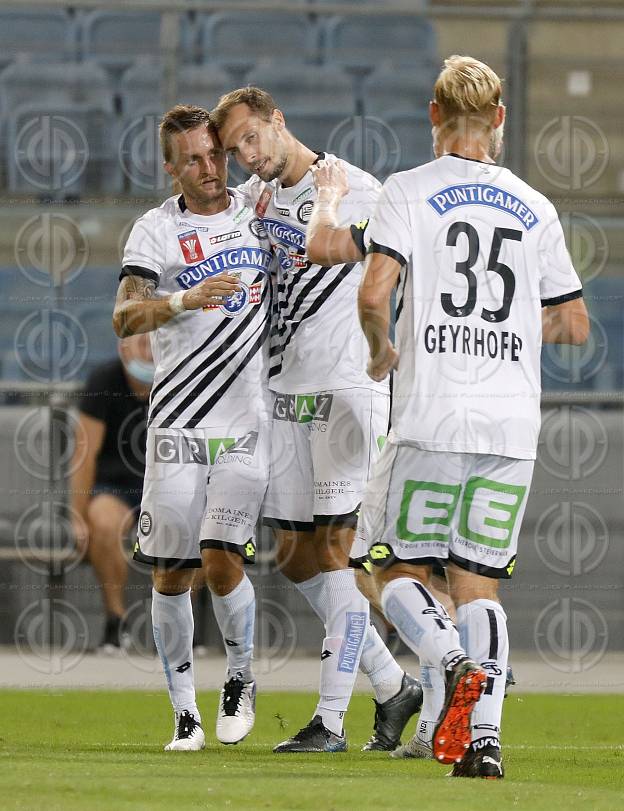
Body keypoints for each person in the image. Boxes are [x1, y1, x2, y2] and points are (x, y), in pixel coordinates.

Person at [355, 55, 589, 778]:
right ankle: (483, 741)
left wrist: (380, 347)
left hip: (432, 414)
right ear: (500, 120)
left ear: (433, 114)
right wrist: (517, 324)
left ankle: (449, 660)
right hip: (511, 426)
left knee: (390, 564)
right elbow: (574, 323)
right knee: (478, 582)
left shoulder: (407, 190)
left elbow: (373, 291)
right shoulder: (536, 205)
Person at [212, 88, 422, 753]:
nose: (247, 155)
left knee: (339, 551)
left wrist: (389, 358)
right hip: (283, 393)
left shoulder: (357, 189)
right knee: (296, 556)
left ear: (278, 121)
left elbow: (392, 275)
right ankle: (394, 685)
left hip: (344, 390)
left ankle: (331, 720)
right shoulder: (255, 200)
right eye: (234, 149)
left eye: (252, 137)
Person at [113, 104, 274, 751]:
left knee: (220, 556)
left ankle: (240, 676)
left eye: (216, 154)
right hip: (177, 423)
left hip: (245, 422)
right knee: (170, 574)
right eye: (195, 160)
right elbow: (125, 316)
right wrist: (185, 297)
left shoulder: (255, 209)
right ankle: (184, 712)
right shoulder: (154, 230)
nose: (211, 168)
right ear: (171, 168)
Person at [70, 333, 152, 652]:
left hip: (163, 485)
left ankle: (186, 627)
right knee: (101, 522)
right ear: (123, 348)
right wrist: (77, 516)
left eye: (155, 342)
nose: (149, 350)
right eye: (142, 342)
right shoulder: (103, 380)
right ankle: (116, 621)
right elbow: (83, 454)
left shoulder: (177, 380)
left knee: (195, 523)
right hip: (114, 487)